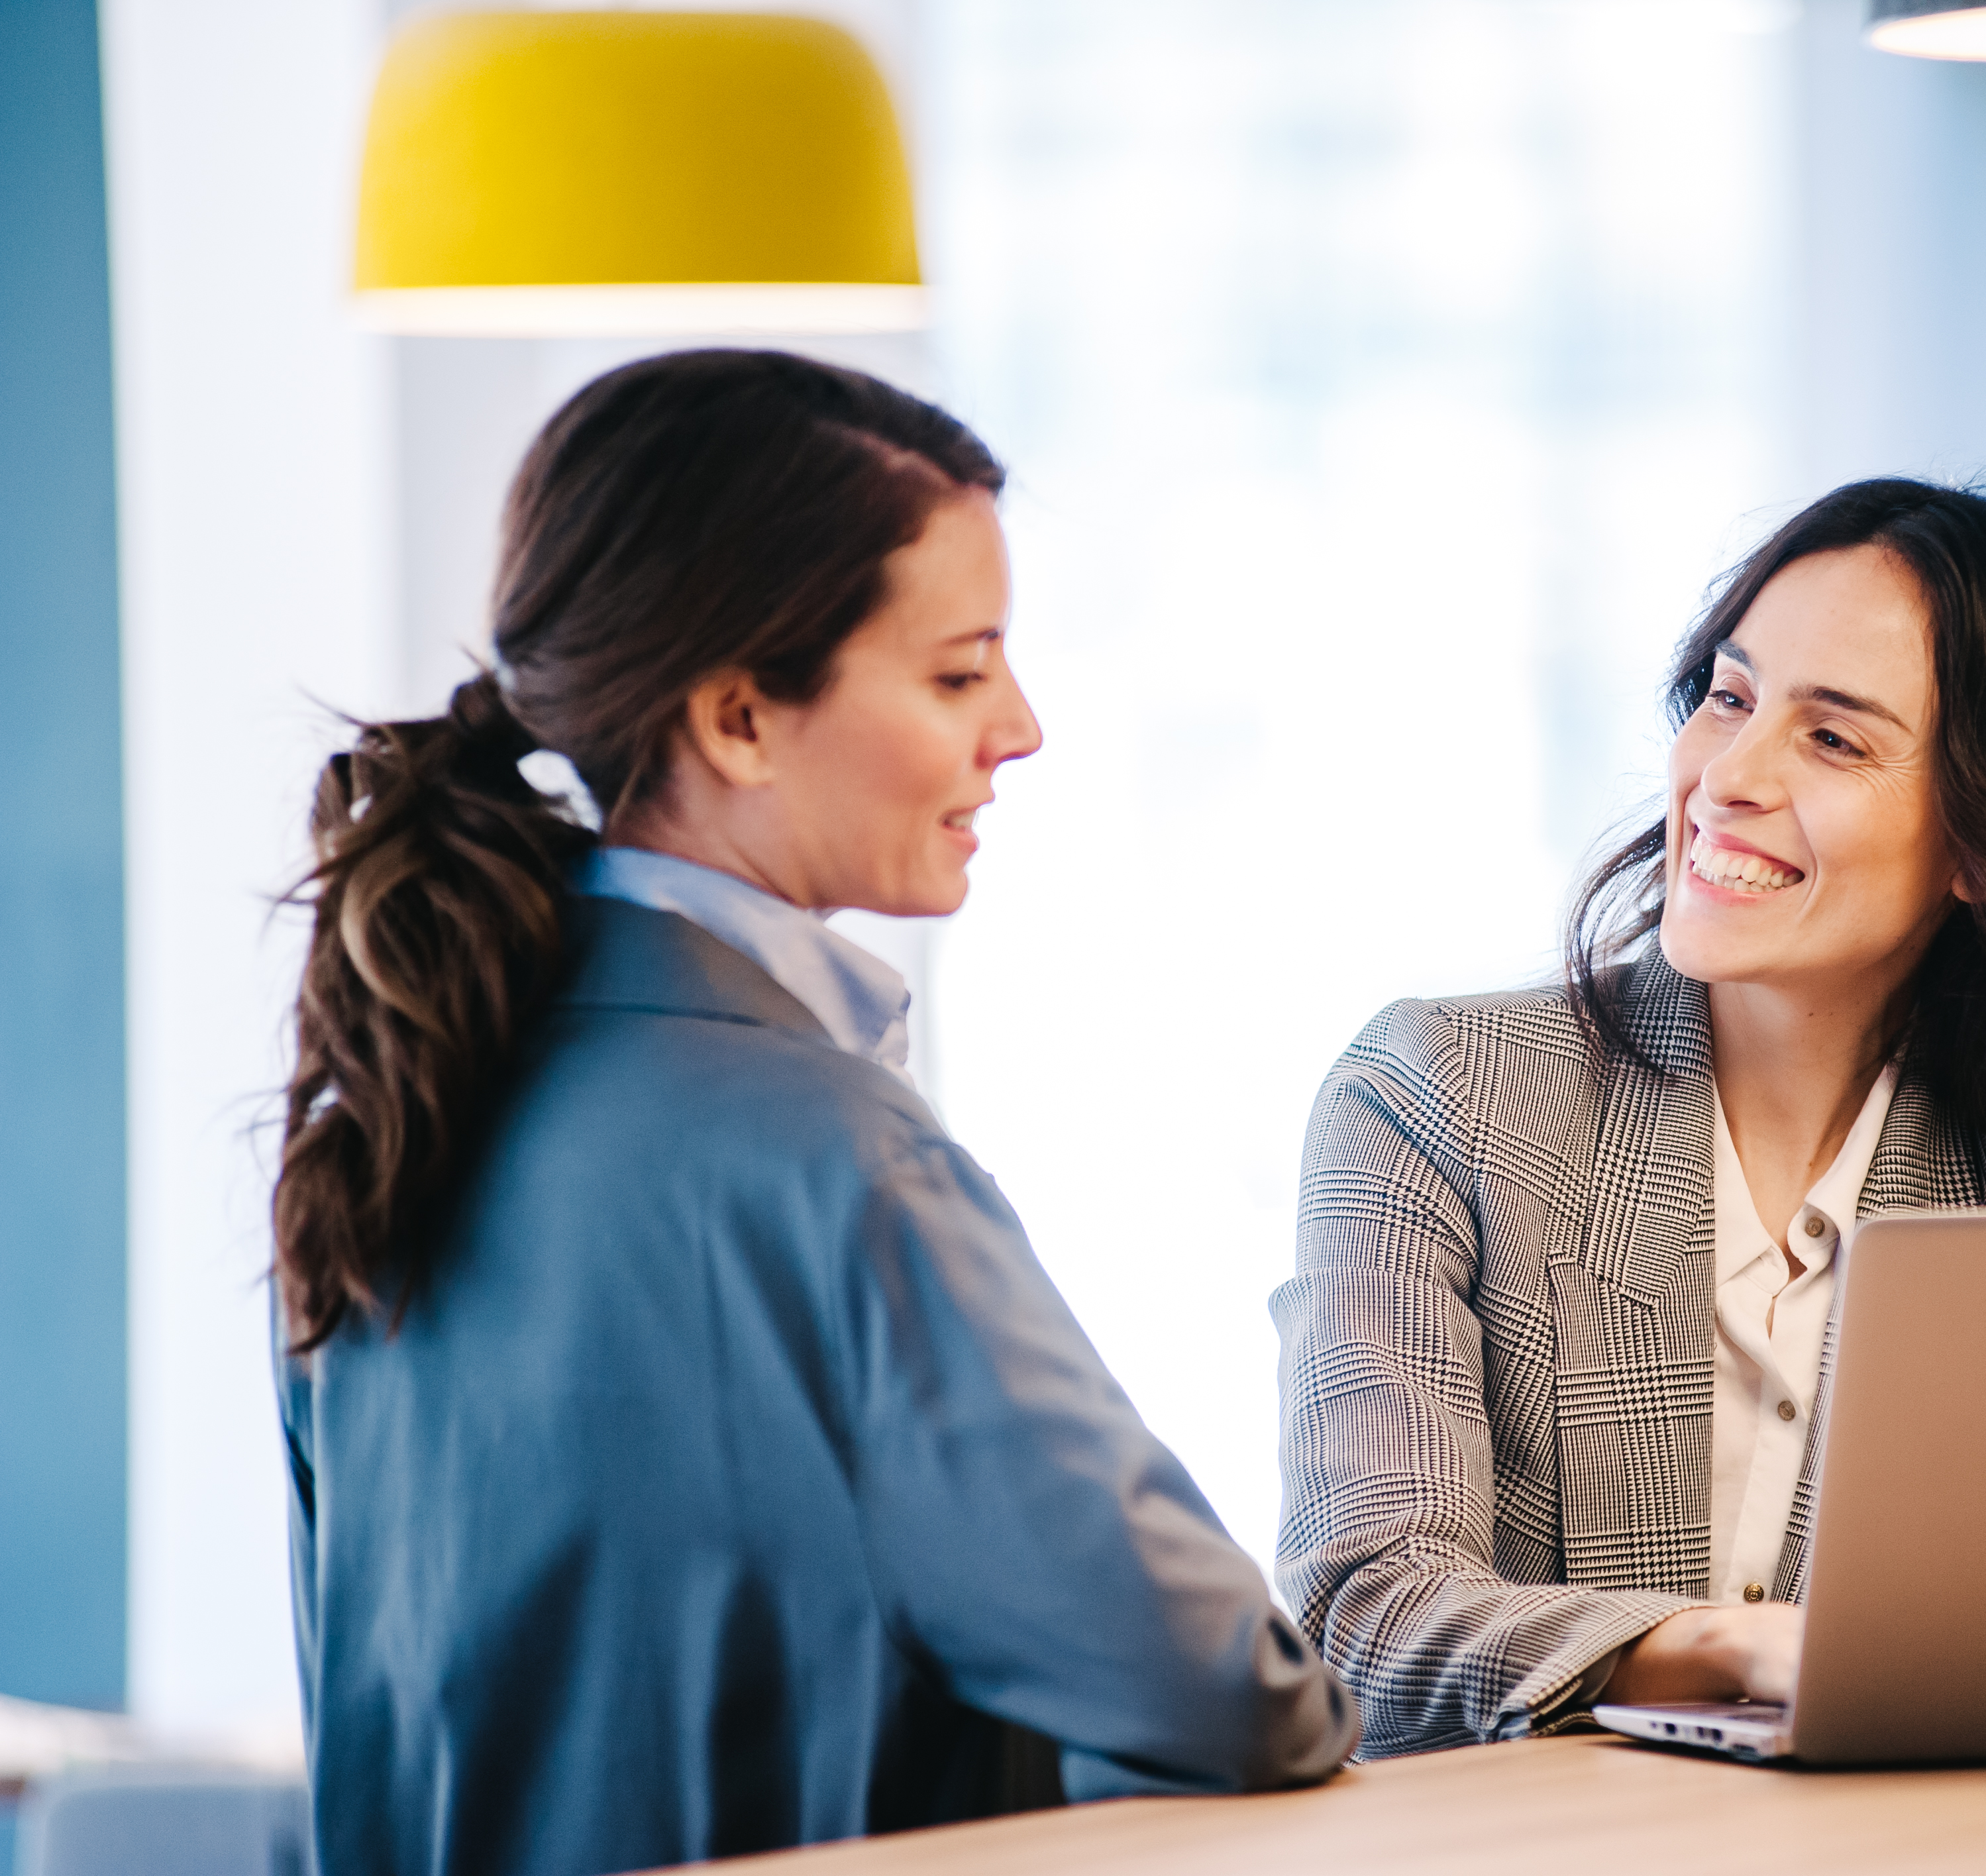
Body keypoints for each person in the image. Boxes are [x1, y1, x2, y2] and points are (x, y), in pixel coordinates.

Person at [274, 350, 1357, 1876]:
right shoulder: (838, 1162)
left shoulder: (386, 1121)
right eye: (959, 670)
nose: (1022, 726)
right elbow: (1235, 1697)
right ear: (738, 718)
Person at [1273, 477, 1986, 1758]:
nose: (1727, 775)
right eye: (1729, 696)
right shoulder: (1435, 1093)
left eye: (1833, 739)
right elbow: (1363, 1615)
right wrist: (1731, 1648)